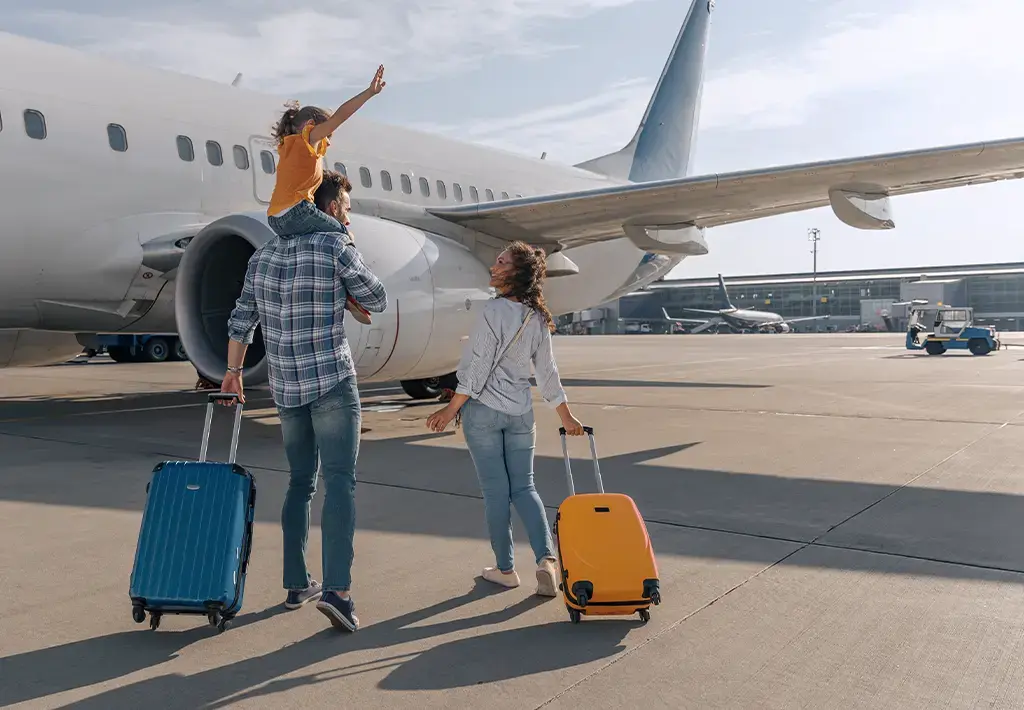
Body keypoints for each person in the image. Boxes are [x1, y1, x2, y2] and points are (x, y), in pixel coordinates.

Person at [221, 200, 388, 632]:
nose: (347, 214)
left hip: (287, 389)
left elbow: (241, 320)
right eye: (345, 207)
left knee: (299, 483)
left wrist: (233, 373)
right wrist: (347, 282)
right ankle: (338, 591)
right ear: (329, 206)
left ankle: (296, 583)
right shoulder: (335, 244)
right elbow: (378, 298)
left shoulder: (263, 256)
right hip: (331, 381)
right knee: (340, 483)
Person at [425, 241, 584, 597]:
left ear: (515, 273)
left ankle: (505, 569)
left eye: (501, 262)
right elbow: (547, 372)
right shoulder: (537, 317)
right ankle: (547, 562)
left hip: (482, 412)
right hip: (520, 413)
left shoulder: (491, 311)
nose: (493, 266)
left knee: (496, 493)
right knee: (525, 488)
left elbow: (479, 366)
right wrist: (566, 415)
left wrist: (451, 408)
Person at [267, 65, 385, 324]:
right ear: (311, 126)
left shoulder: (288, 146)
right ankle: (351, 293)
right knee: (343, 234)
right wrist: (368, 93)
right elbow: (341, 115)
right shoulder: (307, 139)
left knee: (314, 248)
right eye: (326, 135)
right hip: (296, 211)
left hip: (276, 217)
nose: (328, 141)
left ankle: (328, 287)